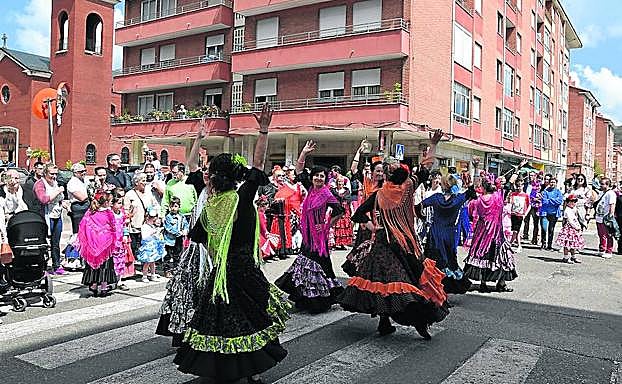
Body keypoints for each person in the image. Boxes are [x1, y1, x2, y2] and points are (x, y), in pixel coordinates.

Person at [172, 104, 291, 384]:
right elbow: (258, 166)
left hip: (221, 272)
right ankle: (249, 371)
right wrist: (263, 130)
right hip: (244, 270)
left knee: (223, 321)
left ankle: (226, 370)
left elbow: (198, 236)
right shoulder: (242, 197)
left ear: (213, 178)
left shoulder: (210, 205)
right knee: (251, 318)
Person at [338, 131, 449, 339]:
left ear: (387, 175)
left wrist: (374, 227)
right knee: (411, 284)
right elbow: (425, 169)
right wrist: (433, 144)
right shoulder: (408, 187)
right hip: (405, 244)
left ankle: (387, 322)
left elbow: (358, 215)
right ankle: (413, 323)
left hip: (383, 245)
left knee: (384, 286)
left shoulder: (379, 195)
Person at [157, 120, 211, 347]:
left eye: (211, 172)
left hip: (214, 248)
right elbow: (192, 166)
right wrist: (198, 139)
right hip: (196, 248)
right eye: (206, 172)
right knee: (187, 287)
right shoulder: (199, 185)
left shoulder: (228, 195)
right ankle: (184, 330)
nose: (207, 175)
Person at [275, 140, 345, 313]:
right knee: (313, 264)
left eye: (322, 176)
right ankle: (308, 297)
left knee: (312, 263)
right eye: (316, 175)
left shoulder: (328, 193)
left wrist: (326, 225)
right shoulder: (310, 188)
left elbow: (340, 211)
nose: (318, 178)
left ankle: (318, 300)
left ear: (325, 179)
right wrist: (304, 153)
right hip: (306, 232)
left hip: (318, 237)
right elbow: (299, 171)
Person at [421, 174, 476, 295]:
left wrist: (422, 217)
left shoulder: (436, 198)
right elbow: (473, 194)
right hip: (450, 235)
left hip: (435, 234)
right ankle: (448, 289)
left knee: (434, 263)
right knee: (450, 261)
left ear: (443, 185)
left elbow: (418, 206)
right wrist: (470, 183)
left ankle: (434, 289)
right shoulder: (458, 199)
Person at [463, 175, 518, 293]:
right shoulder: (498, 197)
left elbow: (470, 213)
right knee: (502, 256)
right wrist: (516, 173)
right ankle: (501, 283)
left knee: (482, 255)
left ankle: (483, 283)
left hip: (482, 233)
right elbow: (508, 186)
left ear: (483, 188)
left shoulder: (478, 200)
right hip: (496, 233)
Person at [79, 190, 119, 297]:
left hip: (92, 243)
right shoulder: (109, 213)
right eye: (110, 201)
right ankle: (104, 286)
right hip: (106, 244)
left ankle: (94, 284)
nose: (111, 203)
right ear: (105, 202)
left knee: (93, 264)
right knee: (105, 265)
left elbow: (83, 226)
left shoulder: (90, 212)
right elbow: (113, 227)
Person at [34, 164, 66, 275]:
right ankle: (42, 267)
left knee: (55, 242)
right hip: (45, 216)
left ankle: (56, 265)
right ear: (45, 173)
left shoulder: (55, 183)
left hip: (57, 215)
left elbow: (59, 199)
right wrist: (57, 191)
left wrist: (65, 204)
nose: (54, 176)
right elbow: (43, 199)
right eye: (51, 174)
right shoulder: (40, 184)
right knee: (44, 243)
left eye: (56, 174)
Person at [124, 172, 160, 258]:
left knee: (145, 245)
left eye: (145, 180)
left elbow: (155, 206)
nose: (145, 183)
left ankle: (144, 263)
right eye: (143, 181)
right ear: (136, 182)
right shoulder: (129, 194)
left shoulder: (148, 194)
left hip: (147, 226)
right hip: (134, 226)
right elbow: (126, 210)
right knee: (133, 245)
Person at [110, 189, 133, 290]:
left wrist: (125, 235)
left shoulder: (122, 213)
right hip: (112, 241)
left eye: (121, 203)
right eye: (118, 203)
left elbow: (125, 225)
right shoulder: (109, 213)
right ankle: (111, 280)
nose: (120, 205)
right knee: (113, 260)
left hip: (121, 241)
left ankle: (119, 281)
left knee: (120, 260)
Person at [163, 196, 189, 278]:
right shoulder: (168, 217)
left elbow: (185, 225)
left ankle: (176, 269)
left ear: (179, 207)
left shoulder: (182, 216)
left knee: (177, 255)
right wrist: (178, 233)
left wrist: (185, 230)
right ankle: (167, 270)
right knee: (168, 255)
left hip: (179, 239)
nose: (174, 208)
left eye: (175, 206)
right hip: (170, 240)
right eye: (172, 206)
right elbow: (168, 228)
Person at [137, 207, 164, 283]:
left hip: (153, 246)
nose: (153, 220)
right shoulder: (144, 226)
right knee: (147, 262)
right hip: (147, 247)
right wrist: (153, 233)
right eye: (151, 218)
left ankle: (153, 274)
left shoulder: (152, 226)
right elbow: (145, 237)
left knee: (153, 262)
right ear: (147, 217)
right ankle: (144, 276)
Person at [555, 194, 585, 263]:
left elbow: (575, 219)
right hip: (569, 229)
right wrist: (577, 227)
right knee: (567, 244)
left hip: (574, 229)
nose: (573, 203)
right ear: (568, 202)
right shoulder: (567, 210)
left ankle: (573, 256)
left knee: (573, 244)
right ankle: (566, 257)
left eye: (574, 201)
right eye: (571, 201)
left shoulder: (573, 209)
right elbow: (570, 221)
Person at [594, 177, 617, 259]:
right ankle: (602, 249)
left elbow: (612, 205)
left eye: (602, 184)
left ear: (607, 184)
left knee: (608, 235)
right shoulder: (601, 193)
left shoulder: (611, 193)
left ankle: (609, 250)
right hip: (599, 217)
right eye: (600, 183)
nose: (601, 185)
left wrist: (610, 216)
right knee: (601, 235)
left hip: (606, 218)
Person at [539, 177, 563, 250]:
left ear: (556, 183)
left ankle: (549, 245)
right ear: (549, 183)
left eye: (554, 182)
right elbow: (544, 202)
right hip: (545, 213)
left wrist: (550, 200)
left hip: (554, 213)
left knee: (551, 229)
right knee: (544, 228)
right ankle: (543, 243)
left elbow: (559, 201)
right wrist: (554, 201)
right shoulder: (545, 191)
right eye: (551, 182)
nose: (552, 183)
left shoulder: (558, 192)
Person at [66, 163, 90, 234]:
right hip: (78, 207)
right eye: (81, 171)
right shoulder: (72, 183)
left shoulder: (85, 180)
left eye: (85, 170)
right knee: (79, 231)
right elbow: (81, 198)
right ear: (75, 172)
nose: (84, 173)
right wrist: (91, 194)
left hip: (87, 206)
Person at [330, 176, 353, 250]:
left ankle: (343, 243)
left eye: (342, 181)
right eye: (339, 181)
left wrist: (352, 211)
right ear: (336, 182)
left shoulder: (347, 191)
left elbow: (350, 202)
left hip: (345, 210)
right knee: (336, 226)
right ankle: (335, 243)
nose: (340, 183)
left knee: (344, 226)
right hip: (336, 210)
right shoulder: (333, 191)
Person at [509, 178, 530, 251]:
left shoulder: (525, 195)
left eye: (520, 185)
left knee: (516, 231)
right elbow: (510, 203)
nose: (519, 187)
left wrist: (525, 214)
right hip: (513, 213)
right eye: (517, 185)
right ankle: (517, 245)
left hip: (520, 215)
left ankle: (510, 244)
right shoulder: (513, 194)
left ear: (523, 186)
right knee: (515, 230)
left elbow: (528, 205)